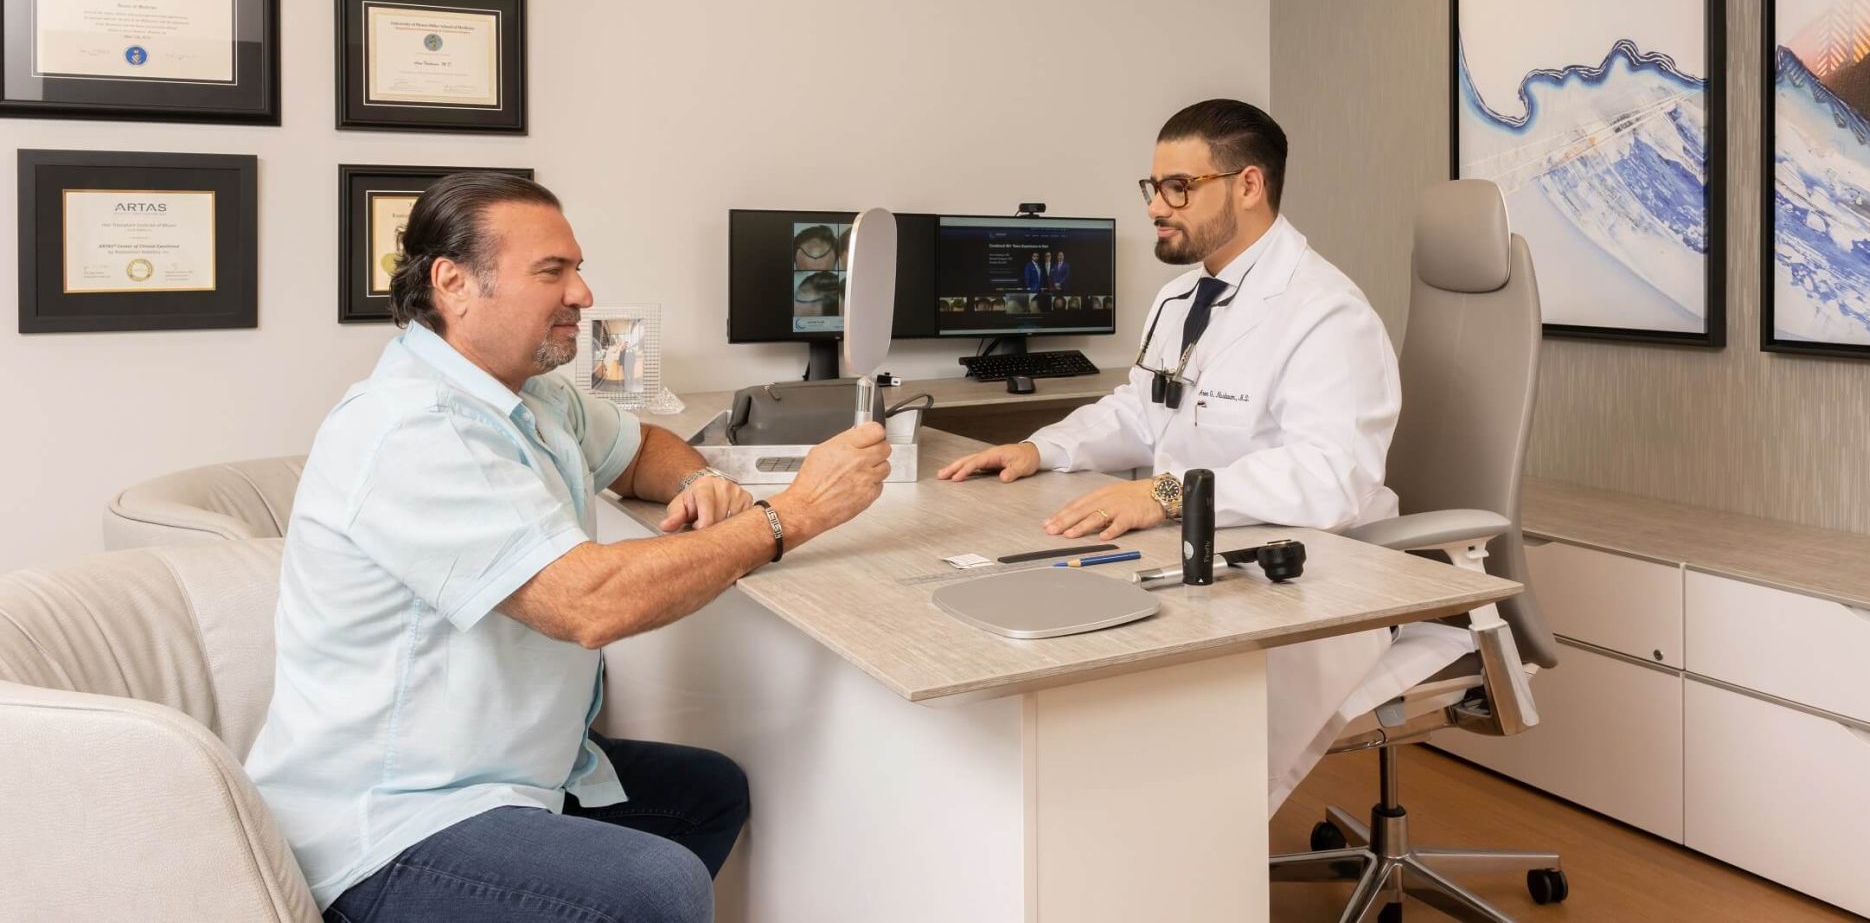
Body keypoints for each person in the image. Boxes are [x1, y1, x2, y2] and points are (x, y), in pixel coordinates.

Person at [247, 172, 894, 923]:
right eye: (552, 272)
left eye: (577, 268)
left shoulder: (525, 392)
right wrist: (792, 516)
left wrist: (696, 482)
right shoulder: (415, 429)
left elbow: (640, 446)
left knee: (707, 795)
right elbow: (587, 602)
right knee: (651, 885)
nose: (583, 294)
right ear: (454, 284)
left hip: (512, 775)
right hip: (392, 823)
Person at [938, 100, 1402, 814]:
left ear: (1248, 186)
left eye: (1178, 187)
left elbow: (1330, 477)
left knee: (1174, 758)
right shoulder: (1183, 294)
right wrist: (1041, 447)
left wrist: (1163, 495)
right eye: (1152, 188)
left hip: (1310, 572)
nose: (1157, 206)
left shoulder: (1326, 313)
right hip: (1201, 548)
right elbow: (1140, 408)